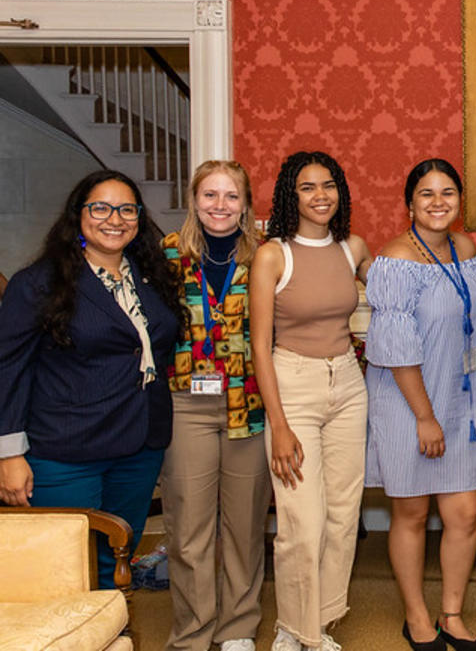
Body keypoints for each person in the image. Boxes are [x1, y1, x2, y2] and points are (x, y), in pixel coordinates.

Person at [0, 170, 183, 588]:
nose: (113, 219)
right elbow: (8, 367)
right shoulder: (39, 283)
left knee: (114, 560)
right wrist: (8, 455)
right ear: (77, 215)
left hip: (138, 448)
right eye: (100, 207)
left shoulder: (152, 278)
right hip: (65, 452)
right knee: (63, 568)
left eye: (126, 209)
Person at [364, 159, 476, 651]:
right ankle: (417, 619)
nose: (438, 203)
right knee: (412, 516)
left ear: (460, 201)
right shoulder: (395, 261)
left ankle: (451, 614)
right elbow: (395, 351)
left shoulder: (466, 247)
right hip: (409, 404)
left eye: (448, 193)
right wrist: (424, 417)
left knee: (464, 516)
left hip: (460, 403)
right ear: (409, 203)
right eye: (426, 194)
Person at [249, 151, 372, 651]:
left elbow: (393, 286)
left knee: (343, 515)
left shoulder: (353, 248)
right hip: (291, 386)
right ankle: (291, 628)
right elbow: (259, 344)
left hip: (347, 384)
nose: (320, 195)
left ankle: (318, 625)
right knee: (303, 521)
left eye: (329, 185)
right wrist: (277, 424)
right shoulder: (273, 254)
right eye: (307, 187)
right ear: (290, 195)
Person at [160, 160, 271, 651]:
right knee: (188, 528)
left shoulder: (267, 257)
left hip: (248, 402)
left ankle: (238, 629)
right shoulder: (165, 254)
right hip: (187, 402)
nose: (220, 206)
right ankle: (193, 632)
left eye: (231, 196)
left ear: (246, 204)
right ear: (194, 199)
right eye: (210, 195)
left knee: (245, 526)